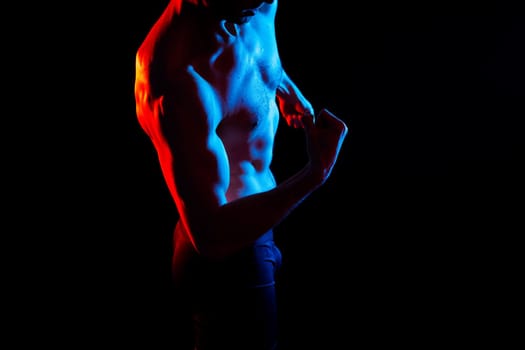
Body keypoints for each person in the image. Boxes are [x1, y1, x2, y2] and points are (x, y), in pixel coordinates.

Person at [134, 0, 348, 349]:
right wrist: (315, 173)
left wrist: (282, 85)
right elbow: (211, 236)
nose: (257, 1)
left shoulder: (255, 4)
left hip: (259, 236)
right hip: (229, 263)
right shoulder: (172, 76)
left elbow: (248, 54)